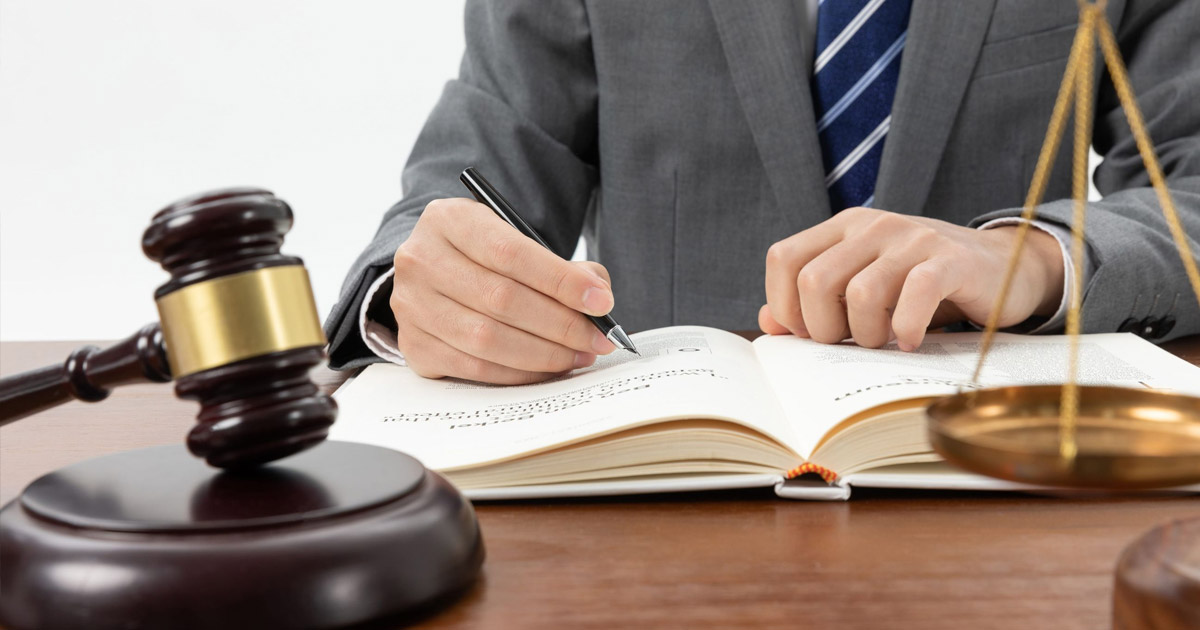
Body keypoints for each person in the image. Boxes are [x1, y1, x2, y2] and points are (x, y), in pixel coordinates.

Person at [324, 0, 1200, 385]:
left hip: (998, 474)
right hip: (660, 488)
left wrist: (1033, 256)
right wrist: (410, 293)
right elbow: (470, 179)